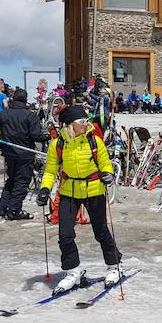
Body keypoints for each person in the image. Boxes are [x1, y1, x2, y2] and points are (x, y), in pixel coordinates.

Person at [36, 106, 121, 294]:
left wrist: (107, 174)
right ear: (69, 125)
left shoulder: (94, 141)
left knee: (101, 232)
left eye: (86, 120)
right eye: (82, 121)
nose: (86, 124)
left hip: (94, 190)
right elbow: (50, 171)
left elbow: (105, 163)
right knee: (65, 235)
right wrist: (44, 189)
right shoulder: (57, 145)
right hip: (69, 191)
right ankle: (73, 271)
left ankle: (114, 266)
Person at [0, 89, 51, 219]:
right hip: (25, 154)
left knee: (12, 180)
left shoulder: (3, 114)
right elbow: (36, 135)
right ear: (25, 100)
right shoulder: (30, 116)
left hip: (9, 153)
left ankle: (4, 207)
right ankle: (14, 210)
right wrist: (46, 137)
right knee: (21, 182)